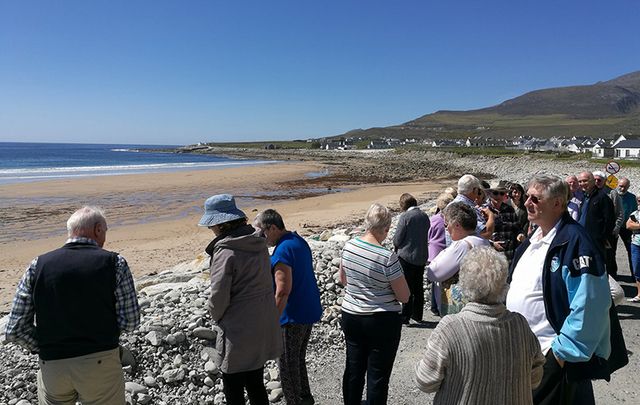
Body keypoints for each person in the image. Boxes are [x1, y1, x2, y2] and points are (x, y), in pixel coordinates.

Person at [4, 206, 140, 404]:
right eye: (105, 231)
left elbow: (15, 329)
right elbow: (131, 321)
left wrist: (44, 346)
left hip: (53, 365)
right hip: (100, 360)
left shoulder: (37, 265)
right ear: (98, 230)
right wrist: (103, 334)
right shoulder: (115, 263)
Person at [507, 175, 612, 404]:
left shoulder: (575, 241)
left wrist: (560, 355)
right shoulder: (534, 237)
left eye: (535, 198)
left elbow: (590, 305)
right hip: (526, 356)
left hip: (552, 359)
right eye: (527, 197)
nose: (527, 203)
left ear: (557, 203)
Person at [416, 246, 545, 404]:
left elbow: (426, 381)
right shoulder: (520, 325)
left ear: (463, 283)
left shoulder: (450, 328)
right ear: (504, 283)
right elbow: (535, 378)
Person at [199, 194, 282, 405]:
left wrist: (215, 316)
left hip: (238, 328)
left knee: (233, 386)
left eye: (212, 225)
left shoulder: (226, 252)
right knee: (255, 381)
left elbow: (219, 295)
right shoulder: (258, 243)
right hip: (262, 321)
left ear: (220, 224)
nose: (211, 229)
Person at [339, 203, 410, 405]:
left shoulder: (349, 246)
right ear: (386, 229)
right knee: (377, 375)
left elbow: (343, 279)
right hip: (382, 319)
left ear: (366, 224)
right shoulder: (387, 257)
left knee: (354, 367)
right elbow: (404, 296)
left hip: (351, 314)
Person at [253, 209, 322, 405]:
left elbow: (283, 290)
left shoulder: (283, 250)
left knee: (286, 365)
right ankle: (305, 398)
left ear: (273, 228)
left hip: (292, 315)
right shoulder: (298, 241)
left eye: (261, 232)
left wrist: (272, 321)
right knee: (297, 359)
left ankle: (295, 401)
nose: (260, 237)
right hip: (308, 309)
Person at [425, 202, 490, 316]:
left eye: (446, 225)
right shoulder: (482, 240)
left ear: (457, 225)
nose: (446, 230)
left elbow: (433, 273)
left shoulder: (462, 245)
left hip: (460, 310)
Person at [393, 193, 430, 324]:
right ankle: (418, 315)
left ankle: (405, 316)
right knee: (418, 287)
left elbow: (397, 239)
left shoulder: (405, 217)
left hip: (406, 256)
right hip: (421, 255)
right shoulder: (425, 216)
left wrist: (396, 247)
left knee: (407, 287)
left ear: (403, 205)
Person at [427, 192, 456, 316]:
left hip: (434, 252)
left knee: (436, 282)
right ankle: (440, 306)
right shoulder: (448, 221)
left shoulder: (433, 219)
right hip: (444, 251)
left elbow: (428, 235)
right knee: (443, 282)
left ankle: (436, 306)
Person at [593, 170, 624, 277]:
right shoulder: (589, 193)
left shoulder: (612, 193)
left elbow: (619, 213)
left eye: (599, 180)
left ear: (605, 181)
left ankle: (612, 277)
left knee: (610, 255)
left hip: (609, 232)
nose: (597, 182)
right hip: (595, 231)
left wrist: (616, 228)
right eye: (595, 180)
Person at [577, 171, 615, 256]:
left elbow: (609, 220)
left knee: (596, 266)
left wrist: (602, 238)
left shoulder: (602, 198)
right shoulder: (584, 197)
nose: (582, 183)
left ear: (593, 181)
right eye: (580, 181)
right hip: (583, 237)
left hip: (595, 241)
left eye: (585, 181)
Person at [451, 174, 495, 239]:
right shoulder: (469, 208)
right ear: (474, 190)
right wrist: (491, 216)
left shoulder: (450, 205)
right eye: (478, 189)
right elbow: (486, 233)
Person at [486, 180, 519, 264]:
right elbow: (477, 235)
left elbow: (517, 228)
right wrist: (492, 244)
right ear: (490, 194)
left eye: (502, 193)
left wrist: (520, 234)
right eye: (496, 193)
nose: (499, 196)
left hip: (509, 256)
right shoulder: (483, 210)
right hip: (490, 257)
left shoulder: (509, 209)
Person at [618, 177, 639, 278]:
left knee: (631, 250)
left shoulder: (632, 197)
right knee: (610, 251)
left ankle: (634, 274)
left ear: (628, 187)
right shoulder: (613, 195)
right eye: (621, 186)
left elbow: (634, 213)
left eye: (625, 187)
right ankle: (612, 274)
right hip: (615, 226)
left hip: (627, 228)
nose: (622, 189)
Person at [625, 202, 640, 302]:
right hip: (636, 244)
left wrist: (637, 225)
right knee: (637, 269)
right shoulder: (635, 213)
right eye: (639, 201)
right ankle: (639, 294)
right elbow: (628, 225)